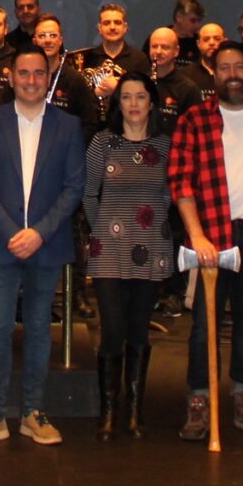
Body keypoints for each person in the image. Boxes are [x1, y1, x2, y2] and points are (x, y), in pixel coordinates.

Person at [0, 47, 86, 448]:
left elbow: (73, 188)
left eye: (39, 74)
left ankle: (33, 412)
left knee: (37, 330)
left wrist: (40, 233)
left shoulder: (68, 126)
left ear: (49, 78)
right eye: (24, 73)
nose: (32, 80)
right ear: (10, 77)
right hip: (0, 244)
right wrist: (13, 231)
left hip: (46, 246)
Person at [167, 42, 243, 440]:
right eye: (224, 68)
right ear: (212, 73)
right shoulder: (195, 120)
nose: (232, 73)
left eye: (239, 67)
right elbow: (181, 184)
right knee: (204, 324)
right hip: (212, 236)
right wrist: (196, 234)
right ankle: (200, 401)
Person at [84, 75, 174, 440]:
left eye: (140, 97)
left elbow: (171, 196)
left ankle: (134, 412)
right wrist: (105, 228)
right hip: (109, 247)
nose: (134, 103)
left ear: (152, 103)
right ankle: (108, 411)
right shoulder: (102, 143)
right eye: (126, 97)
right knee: (113, 330)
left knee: (138, 329)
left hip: (151, 246)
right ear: (117, 103)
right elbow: (89, 195)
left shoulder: (167, 145)